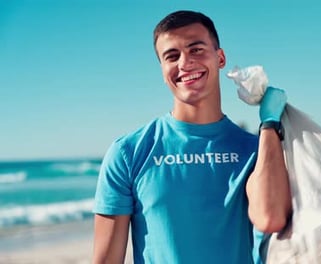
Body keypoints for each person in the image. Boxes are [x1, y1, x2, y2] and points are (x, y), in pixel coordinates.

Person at [92, 10, 292, 264]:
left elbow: (270, 218)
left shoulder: (255, 151)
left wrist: (270, 124)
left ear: (220, 58)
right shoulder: (128, 152)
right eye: (172, 56)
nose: (184, 63)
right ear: (163, 69)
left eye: (196, 50)